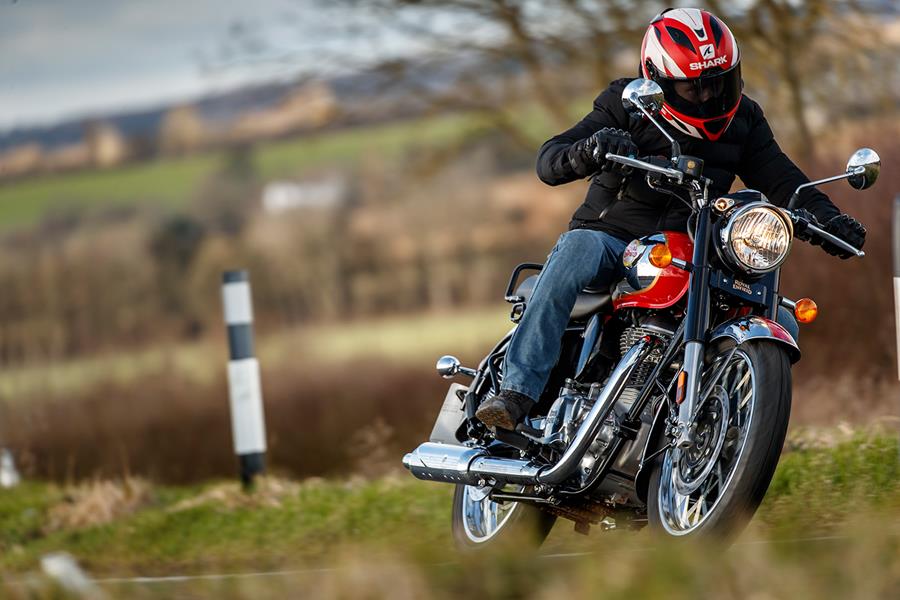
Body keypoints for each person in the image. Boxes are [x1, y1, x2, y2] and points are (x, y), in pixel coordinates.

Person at [475, 7, 867, 432]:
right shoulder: (625, 103)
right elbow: (549, 160)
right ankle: (517, 392)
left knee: (781, 317)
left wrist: (831, 220)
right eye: (691, 87)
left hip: (695, 247)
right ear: (657, 79)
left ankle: (725, 432)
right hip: (612, 238)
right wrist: (591, 148)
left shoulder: (745, 119)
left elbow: (785, 179)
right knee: (575, 249)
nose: (706, 97)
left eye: (718, 84)